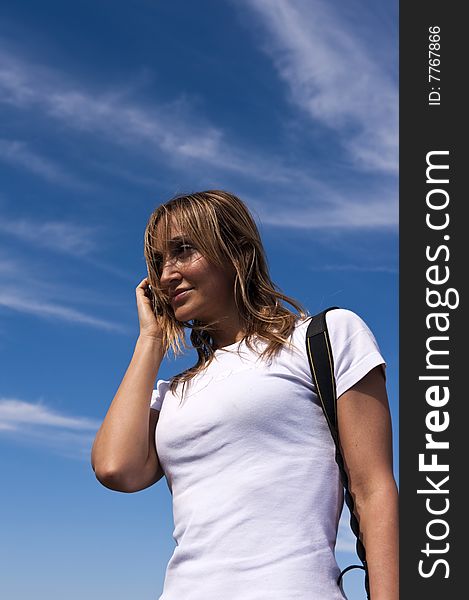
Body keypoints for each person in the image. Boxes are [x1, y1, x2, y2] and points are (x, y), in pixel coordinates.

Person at [91, 190, 398, 599]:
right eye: (160, 262)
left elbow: (373, 491)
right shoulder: (174, 392)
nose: (167, 274)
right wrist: (150, 339)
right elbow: (116, 468)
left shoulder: (323, 338)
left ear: (236, 250)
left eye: (183, 251)